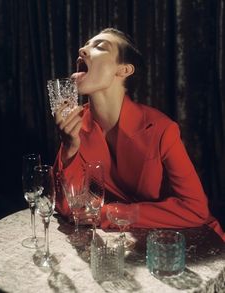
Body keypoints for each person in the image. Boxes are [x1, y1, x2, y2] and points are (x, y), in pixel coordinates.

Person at [53, 28, 225, 241]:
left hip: (191, 241)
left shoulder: (161, 129)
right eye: (86, 45)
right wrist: (69, 147)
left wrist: (112, 213)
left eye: (99, 46)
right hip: (127, 244)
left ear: (124, 70)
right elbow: (67, 208)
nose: (82, 49)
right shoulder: (75, 126)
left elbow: (195, 209)